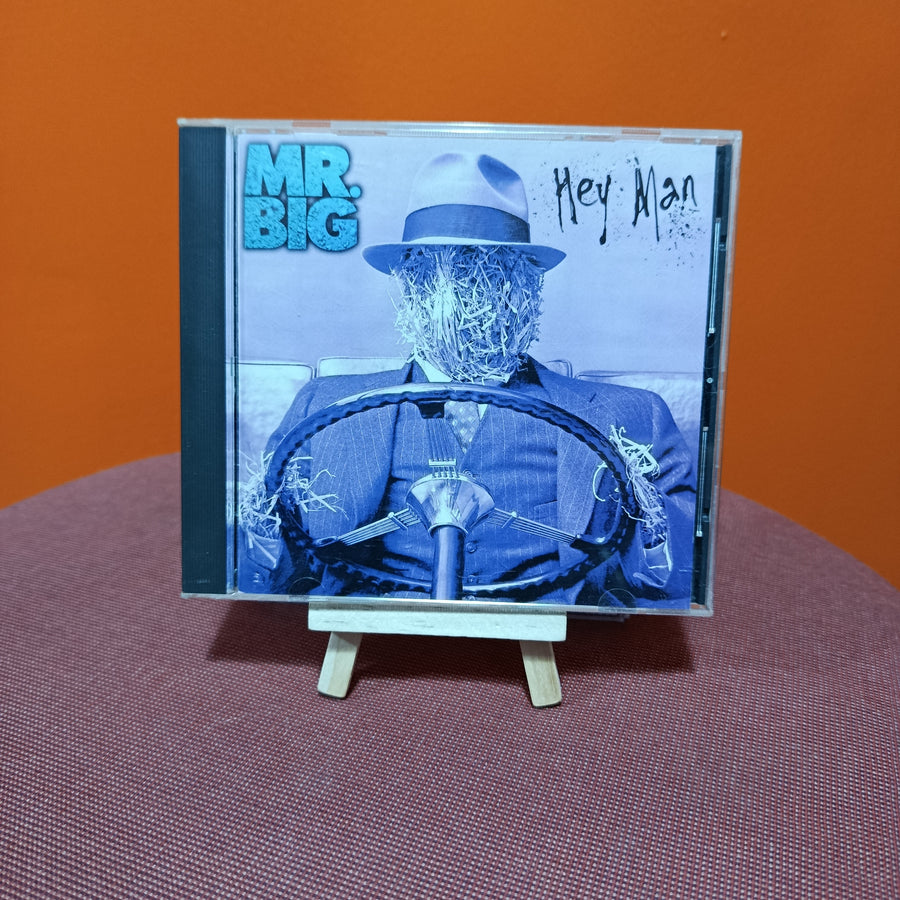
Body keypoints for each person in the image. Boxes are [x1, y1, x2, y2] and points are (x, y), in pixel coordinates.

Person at [242, 152, 696, 609]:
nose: (463, 292)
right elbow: (265, 570)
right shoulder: (322, 411)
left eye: (489, 268)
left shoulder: (630, 418)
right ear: (409, 282)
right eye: (439, 269)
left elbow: (671, 579)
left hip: (552, 633)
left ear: (527, 283)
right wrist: (259, 523)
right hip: (376, 633)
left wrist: (648, 516)